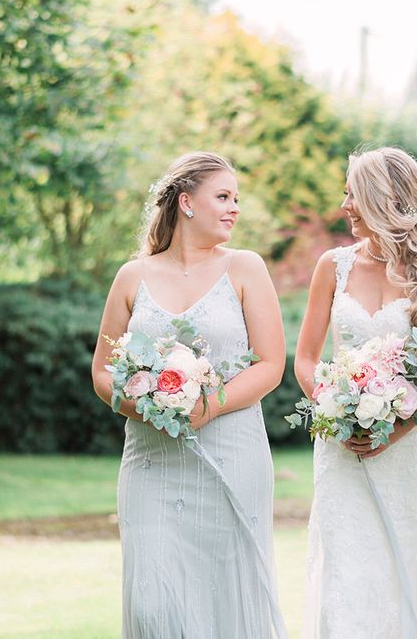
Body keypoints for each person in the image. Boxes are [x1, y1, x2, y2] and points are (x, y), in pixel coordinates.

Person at [91, 151, 287, 638]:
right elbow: (103, 370)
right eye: (223, 196)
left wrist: (205, 406)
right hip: (152, 461)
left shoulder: (245, 268)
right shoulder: (132, 276)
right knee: (154, 602)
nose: (234, 208)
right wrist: (147, 405)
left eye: (236, 198)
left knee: (228, 593)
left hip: (231, 452)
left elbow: (271, 364)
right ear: (186, 203)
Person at [295, 147, 417, 638]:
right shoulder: (333, 266)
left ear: (384, 200)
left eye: (352, 194)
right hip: (340, 449)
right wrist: (334, 408)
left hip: (406, 451)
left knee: (406, 568)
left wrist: (396, 429)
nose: (344, 205)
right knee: (345, 571)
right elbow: (305, 358)